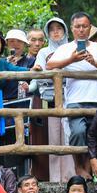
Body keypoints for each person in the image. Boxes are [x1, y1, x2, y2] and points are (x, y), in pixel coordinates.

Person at [47, 12, 97, 177]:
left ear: (90, 28)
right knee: (77, 132)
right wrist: (71, 60)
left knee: (93, 135)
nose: (81, 30)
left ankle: (86, 169)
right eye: (78, 26)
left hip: (96, 100)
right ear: (72, 29)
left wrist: (94, 62)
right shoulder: (65, 48)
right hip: (74, 101)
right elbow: (49, 66)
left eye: (85, 26)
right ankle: (78, 166)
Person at [30, 17, 76, 183]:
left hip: (72, 97)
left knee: (70, 136)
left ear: (65, 30)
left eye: (59, 28)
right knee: (54, 137)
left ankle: (71, 177)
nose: (56, 32)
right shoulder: (43, 52)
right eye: (52, 29)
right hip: (50, 98)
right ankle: (56, 178)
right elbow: (40, 77)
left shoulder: (73, 48)